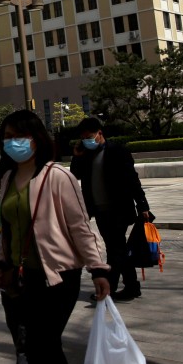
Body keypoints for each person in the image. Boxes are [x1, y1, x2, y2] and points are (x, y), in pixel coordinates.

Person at [0, 109, 110, 364]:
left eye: (19, 136)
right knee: (36, 349)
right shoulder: (6, 178)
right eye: (7, 137)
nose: (12, 142)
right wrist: (1, 263)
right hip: (21, 278)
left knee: (44, 346)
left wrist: (98, 269)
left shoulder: (58, 176)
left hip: (57, 276)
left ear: (36, 138)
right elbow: (7, 228)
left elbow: (80, 227)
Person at [70, 116, 153, 302]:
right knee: (118, 248)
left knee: (115, 249)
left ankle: (109, 287)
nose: (87, 141)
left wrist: (143, 205)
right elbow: (74, 175)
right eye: (83, 138)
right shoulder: (87, 155)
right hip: (99, 211)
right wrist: (77, 155)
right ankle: (132, 287)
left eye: (89, 136)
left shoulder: (118, 151)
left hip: (119, 209)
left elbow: (133, 179)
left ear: (100, 133)